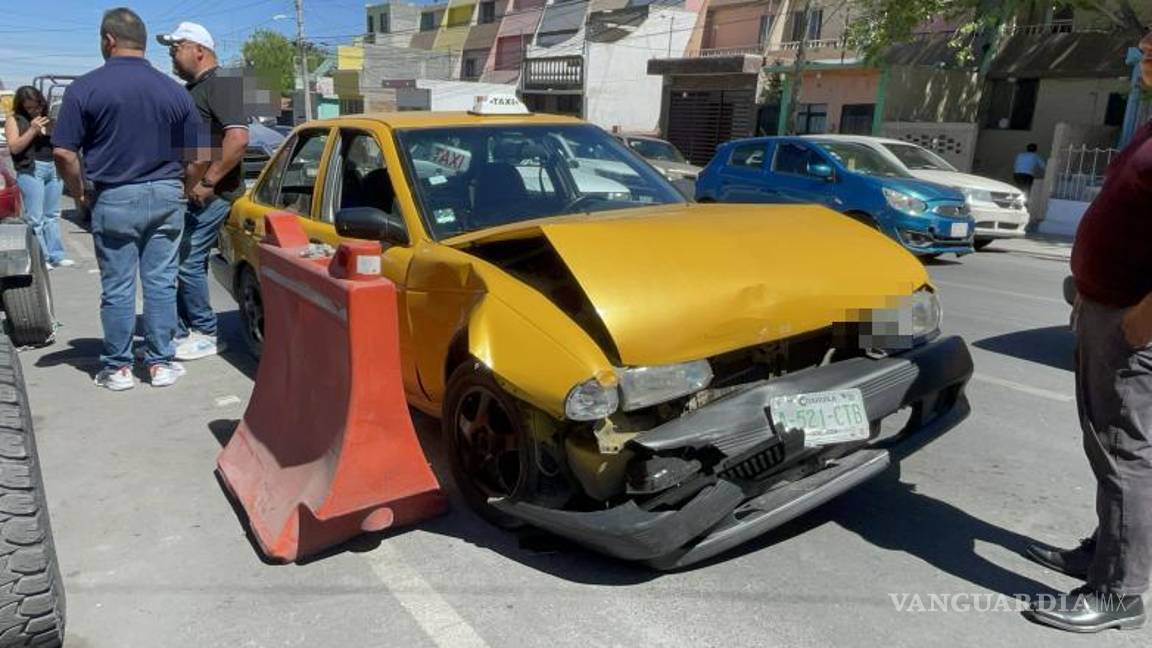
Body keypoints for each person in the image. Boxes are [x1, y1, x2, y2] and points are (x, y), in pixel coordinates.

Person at [1023, 28, 1152, 633]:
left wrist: (1139, 321)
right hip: (1104, 308)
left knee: (1126, 452)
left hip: (1132, 320)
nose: (1146, 50)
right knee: (1107, 445)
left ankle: (1120, 592)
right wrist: (1086, 291)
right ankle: (1105, 553)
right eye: (1147, 43)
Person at [52, 7, 202, 391]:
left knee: (118, 287)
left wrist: (79, 191)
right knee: (161, 283)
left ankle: (118, 368)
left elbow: (64, 153)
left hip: (114, 196)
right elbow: (200, 156)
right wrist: (184, 189)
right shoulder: (174, 90)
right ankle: (160, 363)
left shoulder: (85, 88)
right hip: (167, 193)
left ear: (108, 40)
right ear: (144, 43)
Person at [159, 22, 249, 360]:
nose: (172, 55)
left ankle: (206, 332)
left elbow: (237, 139)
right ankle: (184, 328)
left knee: (187, 261)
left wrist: (208, 183)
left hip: (214, 193)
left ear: (199, 50)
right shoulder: (196, 88)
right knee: (183, 261)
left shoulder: (221, 83)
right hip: (194, 190)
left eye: (176, 47)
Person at [3, 86, 73, 268]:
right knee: (35, 218)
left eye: (38, 106)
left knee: (52, 215)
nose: (35, 111)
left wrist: (52, 131)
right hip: (31, 170)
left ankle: (56, 255)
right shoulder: (14, 120)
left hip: (53, 168)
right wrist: (32, 130)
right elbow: (15, 148)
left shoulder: (47, 118)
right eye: (30, 108)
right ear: (21, 106)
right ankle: (41, 258)